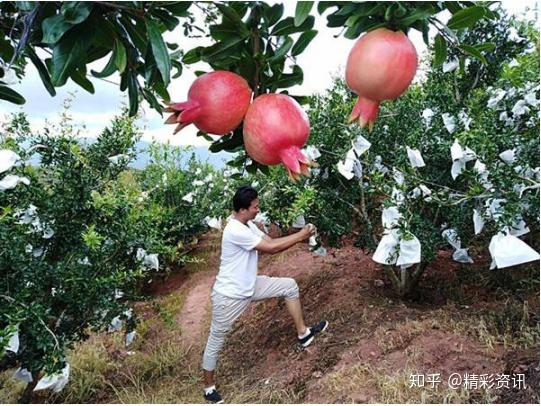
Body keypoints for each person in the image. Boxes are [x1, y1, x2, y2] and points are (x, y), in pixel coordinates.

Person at [201, 186, 329, 403]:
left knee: (289, 286)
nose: (257, 211)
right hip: (229, 296)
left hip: (249, 285)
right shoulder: (235, 230)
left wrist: (302, 236)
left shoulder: (247, 224)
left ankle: (303, 333)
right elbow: (271, 250)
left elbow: (270, 241)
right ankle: (208, 388)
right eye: (254, 208)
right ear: (242, 209)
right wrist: (300, 235)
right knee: (216, 339)